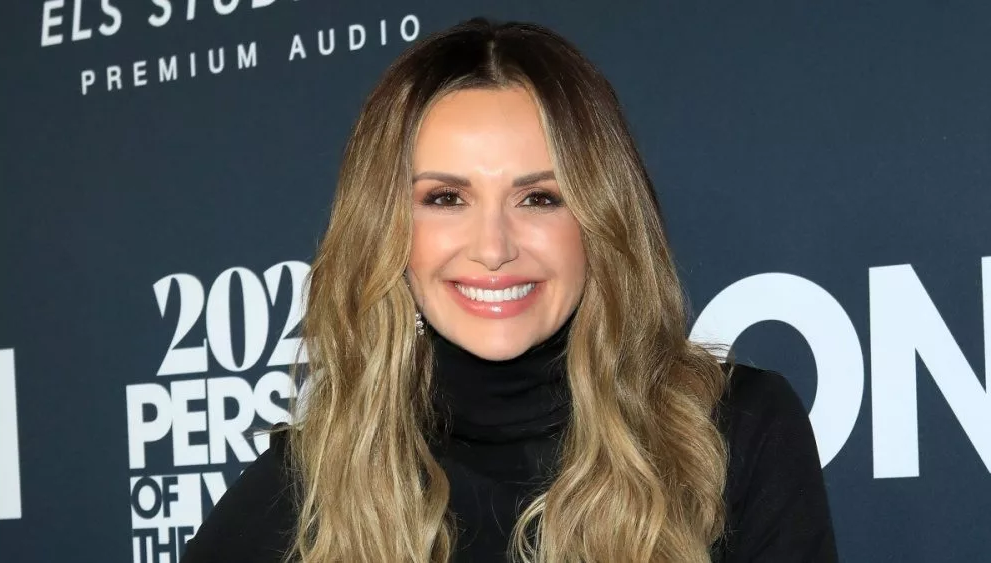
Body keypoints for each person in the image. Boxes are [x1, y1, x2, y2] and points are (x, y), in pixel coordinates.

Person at [181, 17, 837, 563]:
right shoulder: (311, 484)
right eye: (446, 198)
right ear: (386, 229)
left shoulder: (735, 433)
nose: (493, 247)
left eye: (539, 197)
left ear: (601, 219)